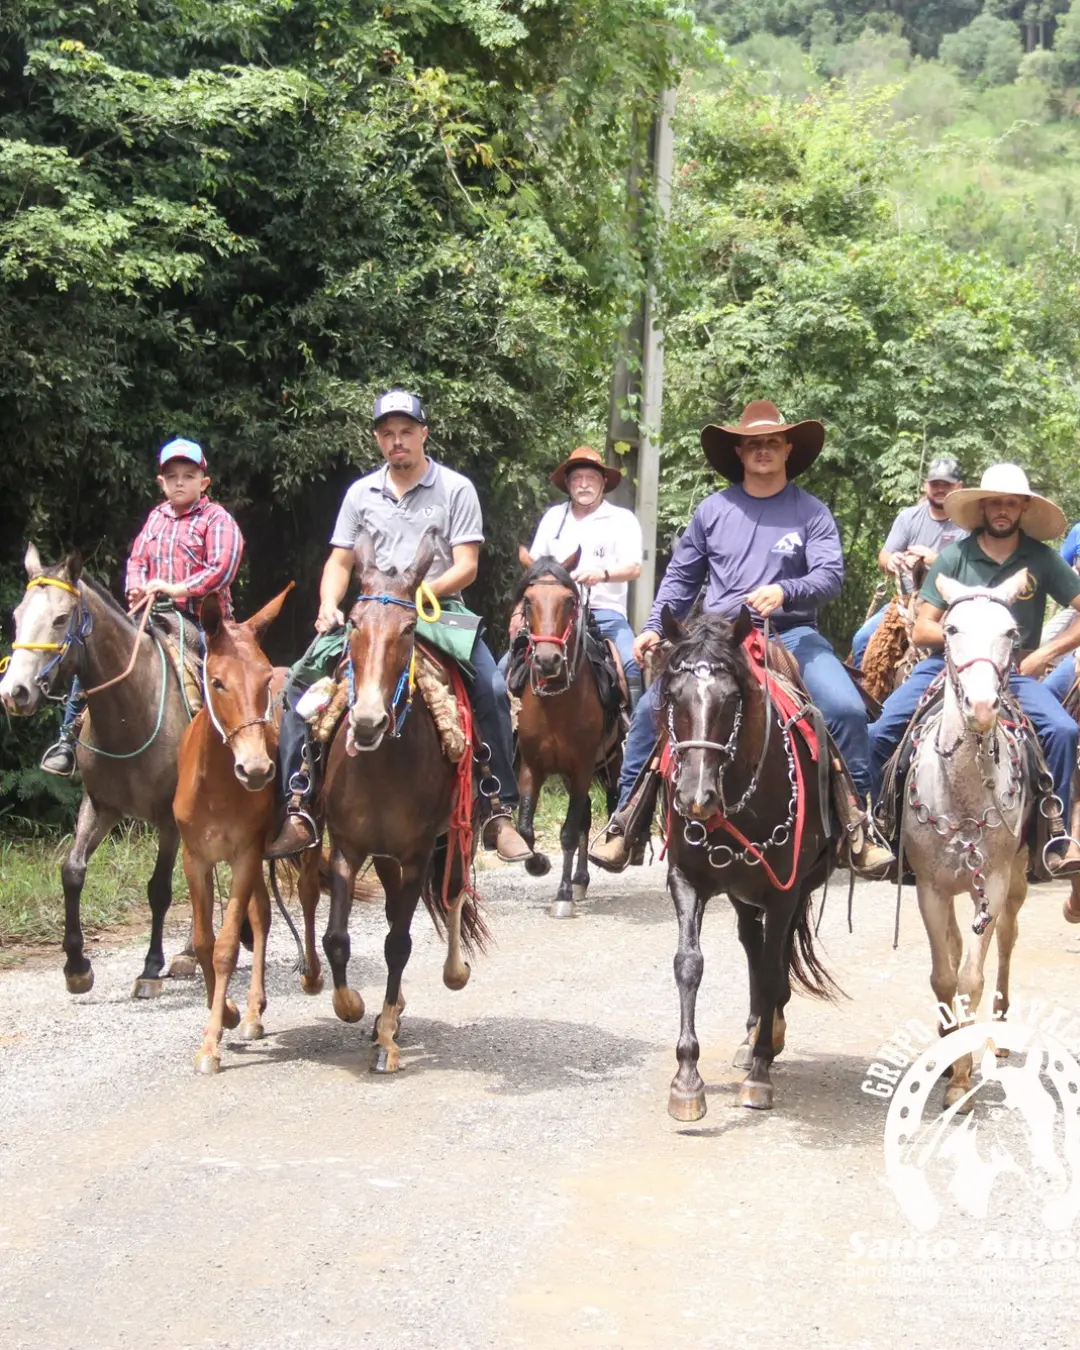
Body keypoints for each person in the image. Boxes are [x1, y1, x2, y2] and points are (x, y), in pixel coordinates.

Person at [589, 399, 894, 877]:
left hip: (792, 633)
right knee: (652, 710)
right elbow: (682, 577)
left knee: (846, 710)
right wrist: (652, 626)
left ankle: (860, 825)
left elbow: (831, 576)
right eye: (754, 443)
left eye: (772, 441)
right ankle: (624, 822)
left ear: (789, 448)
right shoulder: (714, 510)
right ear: (740, 451)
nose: (764, 450)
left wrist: (786, 589)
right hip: (718, 638)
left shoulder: (811, 511)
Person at [264, 389, 531, 862]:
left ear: (423, 434)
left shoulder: (455, 489)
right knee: (297, 685)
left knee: (490, 685)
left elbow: (467, 564)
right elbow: (340, 561)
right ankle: (299, 805)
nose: (397, 441)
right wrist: (329, 602)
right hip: (369, 615)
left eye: (406, 431)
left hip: (437, 608)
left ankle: (497, 807)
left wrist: (421, 593)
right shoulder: (360, 493)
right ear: (378, 440)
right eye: (388, 433)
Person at [867, 464, 1080, 875]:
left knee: (1063, 730)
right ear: (983, 507)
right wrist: (969, 643)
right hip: (946, 667)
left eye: (1011, 503)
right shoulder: (955, 556)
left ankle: (1053, 836)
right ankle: (884, 831)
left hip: (1014, 671)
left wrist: (1045, 652)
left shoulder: (1041, 557)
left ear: (1022, 508)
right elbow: (925, 625)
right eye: (995, 503)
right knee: (879, 732)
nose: (1003, 510)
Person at [40, 437, 244, 776]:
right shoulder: (156, 518)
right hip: (151, 612)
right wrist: (135, 587)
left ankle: (223, 745)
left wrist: (174, 587)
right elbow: (137, 560)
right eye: (172, 476)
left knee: (225, 674)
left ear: (203, 482)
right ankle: (67, 739)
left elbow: (221, 569)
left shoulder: (216, 519)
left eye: (189, 475)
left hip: (200, 619)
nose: (180, 482)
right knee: (95, 648)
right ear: (161, 483)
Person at [522, 445, 644, 707]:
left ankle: (635, 737)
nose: (584, 485)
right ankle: (505, 736)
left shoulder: (622, 519)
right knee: (506, 666)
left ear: (603, 483)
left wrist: (603, 573)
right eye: (577, 479)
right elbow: (533, 567)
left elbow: (634, 567)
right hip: (551, 615)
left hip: (605, 614)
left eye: (591, 479)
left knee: (633, 663)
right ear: (568, 484)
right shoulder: (553, 518)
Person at [850, 457, 967, 668]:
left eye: (946, 485)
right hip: (905, 603)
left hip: (948, 606)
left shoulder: (967, 524)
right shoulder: (908, 518)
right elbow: (884, 556)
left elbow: (973, 573)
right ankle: (864, 697)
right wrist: (893, 561)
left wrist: (934, 560)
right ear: (925, 485)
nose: (940, 489)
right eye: (935, 484)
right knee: (862, 640)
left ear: (958, 487)